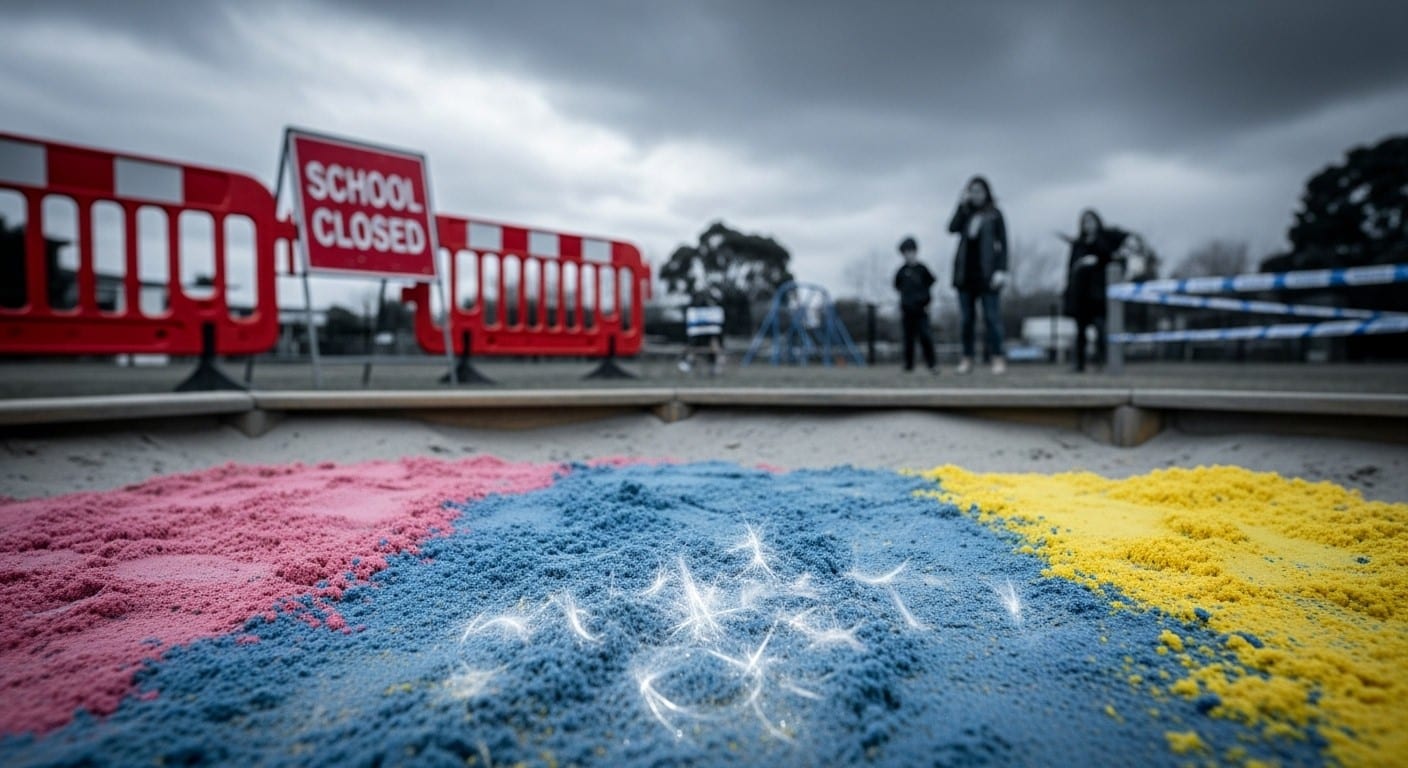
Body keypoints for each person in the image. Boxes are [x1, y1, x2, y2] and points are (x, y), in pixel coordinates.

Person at [947, 175, 1008, 374]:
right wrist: (961, 206)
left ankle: (997, 358)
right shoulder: (965, 212)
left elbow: (1004, 244)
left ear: (986, 192)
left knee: (991, 318)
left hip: (987, 276)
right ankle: (967, 358)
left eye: (979, 191)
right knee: (966, 321)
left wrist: (1001, 270)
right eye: (972, 191)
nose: (976, 195)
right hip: (965, 275)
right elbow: (951, 228)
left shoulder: (995, 215)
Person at [1063, 209, 1128, 372]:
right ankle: (1080, 364)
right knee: (1080, 331)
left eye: (1091, 221)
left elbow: (1115, 251)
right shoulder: (1078, 244)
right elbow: (1070, 268)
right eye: (1085, 222)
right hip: (1081, 294)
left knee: (1101, 327)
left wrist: (1097, 259)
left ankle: (1101, 361)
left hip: (1099, 294)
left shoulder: (1105, 240)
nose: (1088, 225)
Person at [892, 236, 938, 374]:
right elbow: (896, 286)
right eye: (905, 252)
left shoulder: (922, 269)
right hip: (907, 310)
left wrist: (926, 301)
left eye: (910, 251)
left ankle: (931, 364)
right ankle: (908, 365)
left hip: (922, 309)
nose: (908, 254)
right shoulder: (901, 271)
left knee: (925, 336)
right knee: (908, 338)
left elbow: (931, 282)